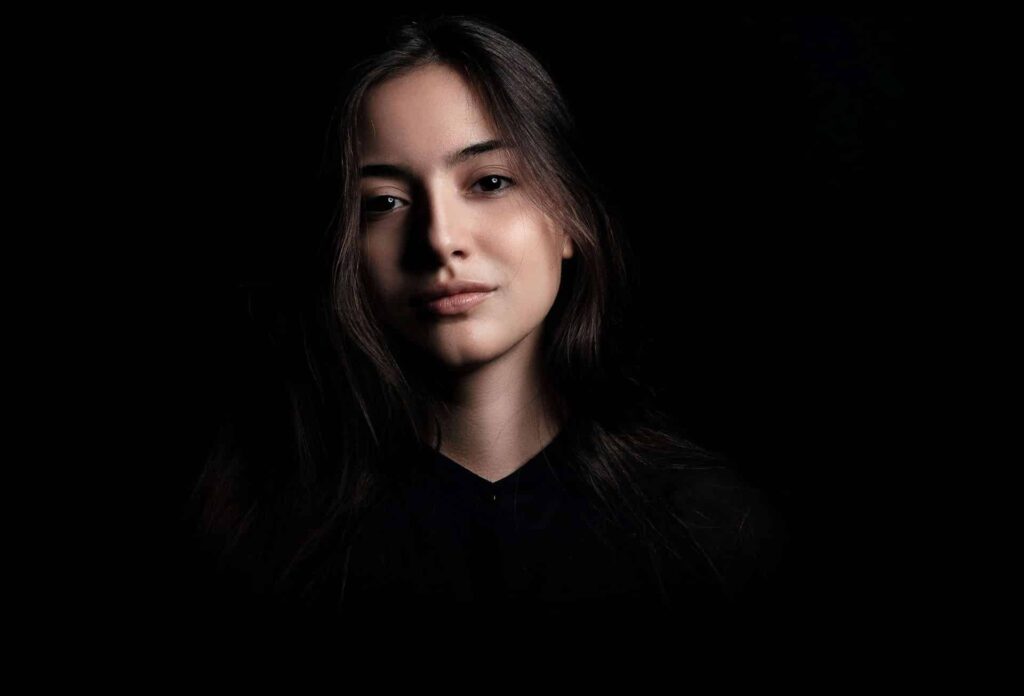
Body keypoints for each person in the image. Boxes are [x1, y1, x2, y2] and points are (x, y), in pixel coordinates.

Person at [182, 13, 788, 647]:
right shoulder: (256, 543)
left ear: (569, 218)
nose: (440, 239)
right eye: (383, 203)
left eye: (490, 182)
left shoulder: (712, 531)